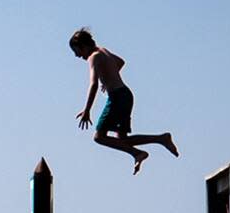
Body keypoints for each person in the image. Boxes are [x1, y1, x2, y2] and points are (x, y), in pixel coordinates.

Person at [70, 28, 179, 175]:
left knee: (99, 137)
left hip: (116, 97)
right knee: (121, 139)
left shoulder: (93, 57)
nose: (77, 56)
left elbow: (93, 84)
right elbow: (120, 62)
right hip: (126, 95)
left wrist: (87, 110)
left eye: (77, 51)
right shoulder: (103, 51)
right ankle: (161, 138)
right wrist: (108, 77)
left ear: (83, 46)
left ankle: (137, 154)